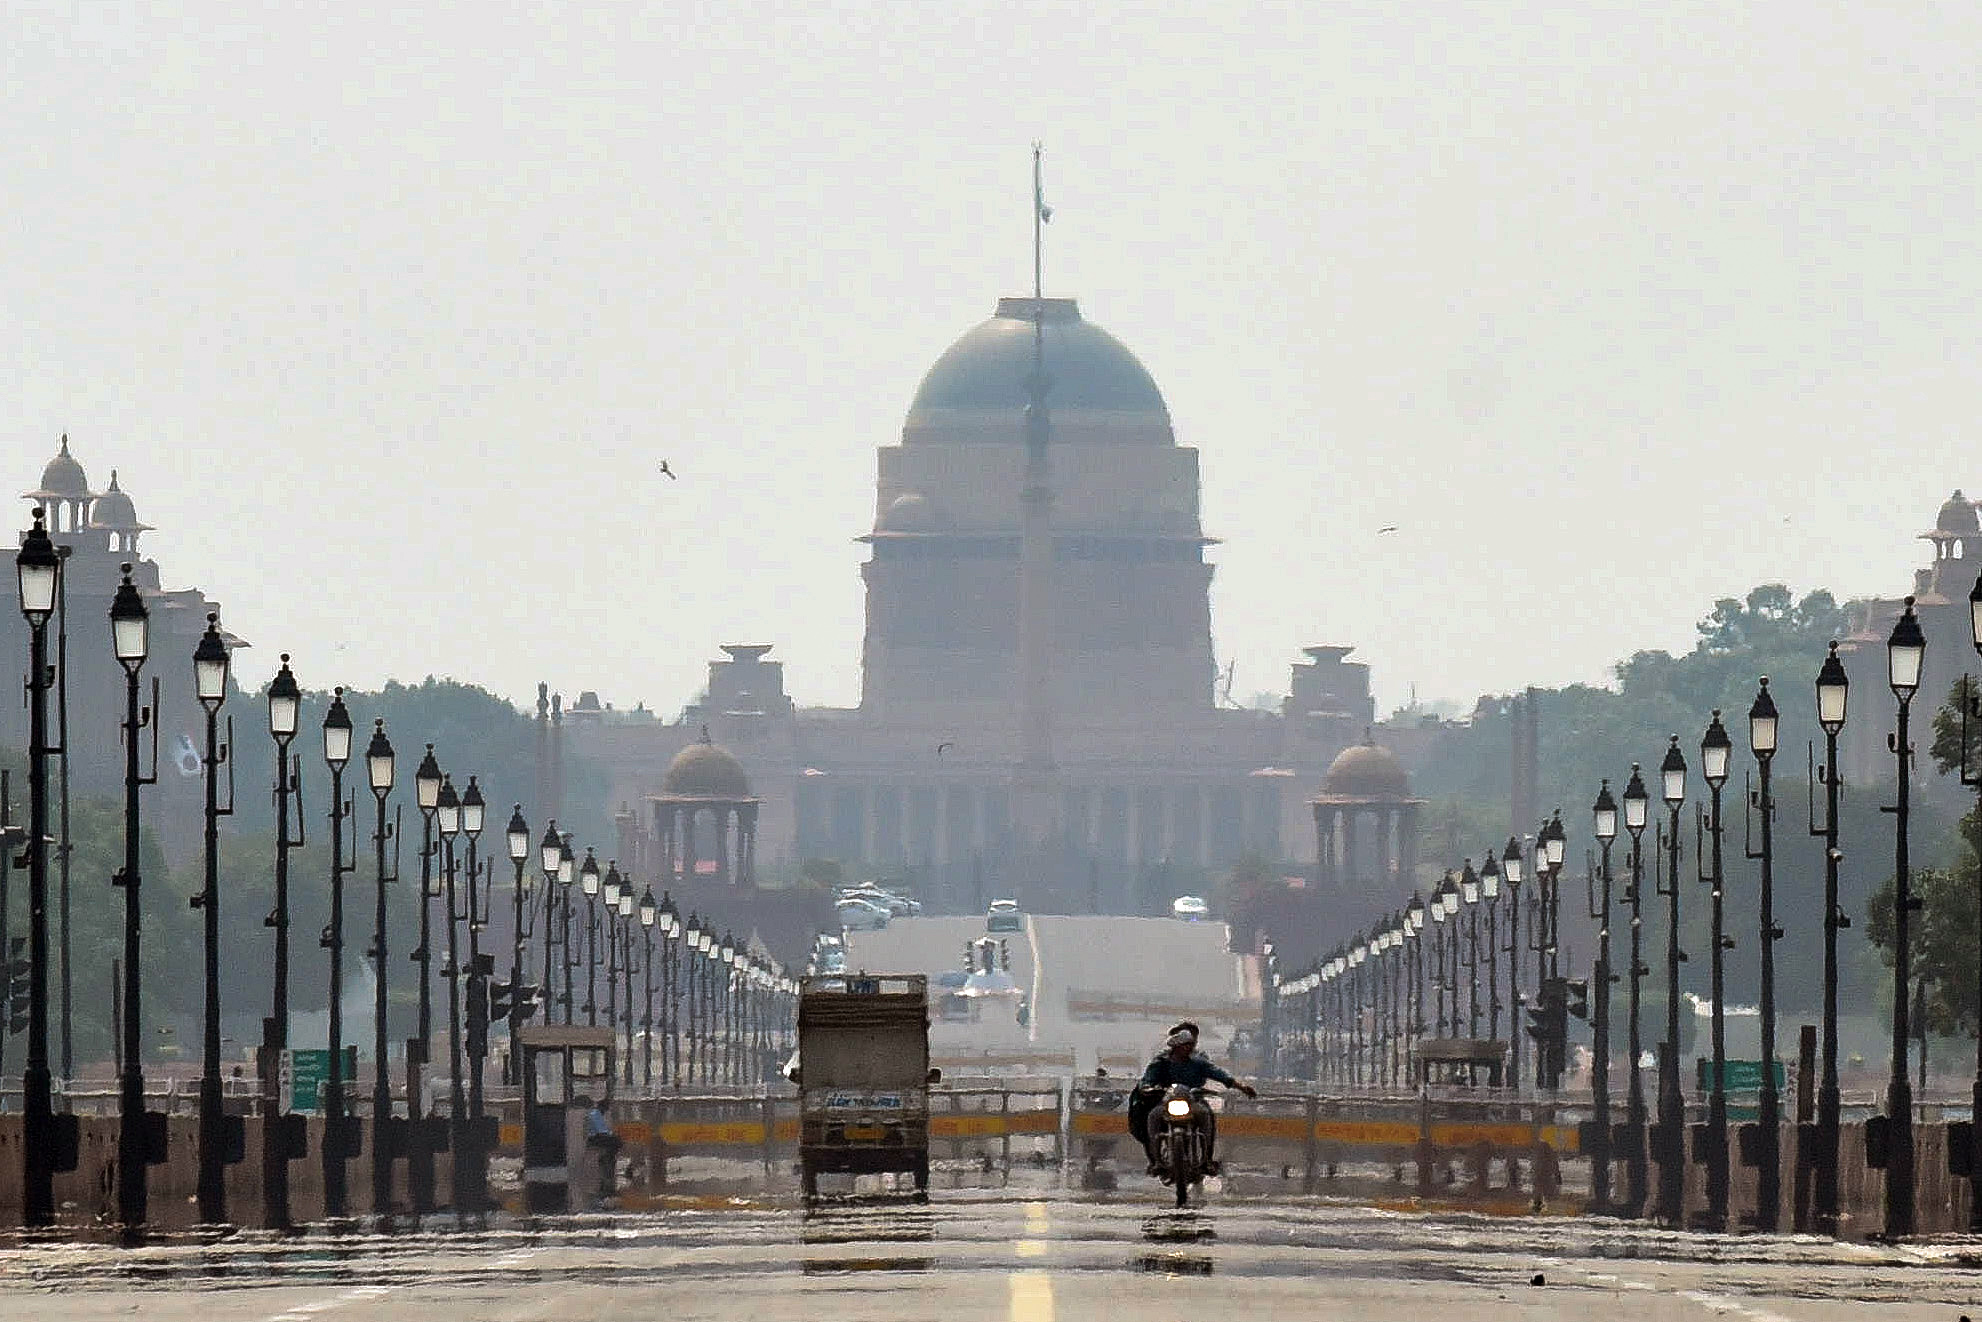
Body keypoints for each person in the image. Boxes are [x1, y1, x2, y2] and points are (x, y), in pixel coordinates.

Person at [1130, 1022, 1256, 1176]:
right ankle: (1155, 1161)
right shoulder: (1160, 1062)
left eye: (1191, 1044)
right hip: (1166, 1102)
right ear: (1176, 1046)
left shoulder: (1198, 1062)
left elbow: (1220, 1075)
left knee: (1205, 1115)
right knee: (1153, 1117)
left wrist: (1242, 1087)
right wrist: (1147, 1088)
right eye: (1186, 1045)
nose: (1189, 1047)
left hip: (1193, 1100)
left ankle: (1207, 1160)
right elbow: (1147, 1080)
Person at [584, 1096, 621, 1202]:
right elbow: (602, 1132)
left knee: (615, 1142)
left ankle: (610, 1158)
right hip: (596, 1139)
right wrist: (613, 1137)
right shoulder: (596, 1115)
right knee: (616, 1142)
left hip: (597, 1139)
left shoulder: (595, 1114)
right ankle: (609, 1157)